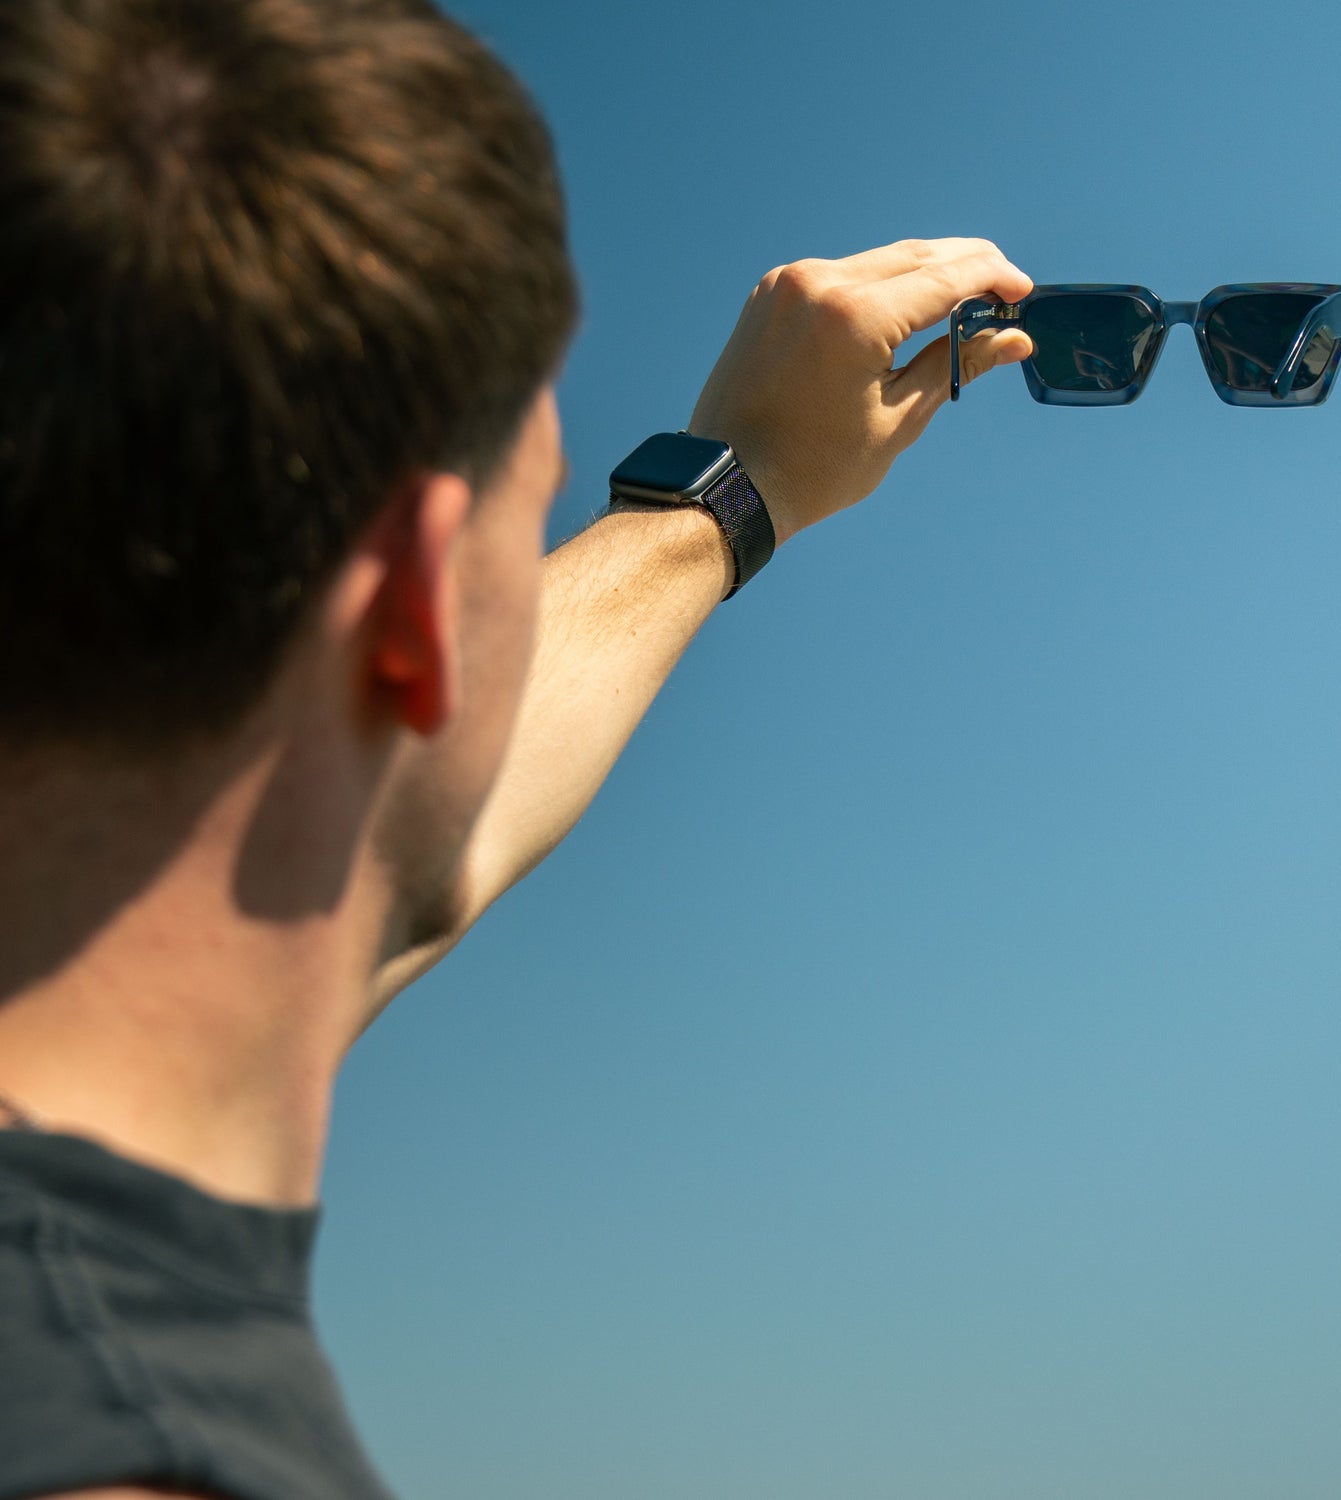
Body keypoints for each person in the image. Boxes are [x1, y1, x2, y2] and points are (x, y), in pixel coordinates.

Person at [0, 1, 1034, 1495]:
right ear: (419, 616)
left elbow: (383, 823)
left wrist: (730, 494)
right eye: (520, 508)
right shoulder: (129, 1449)